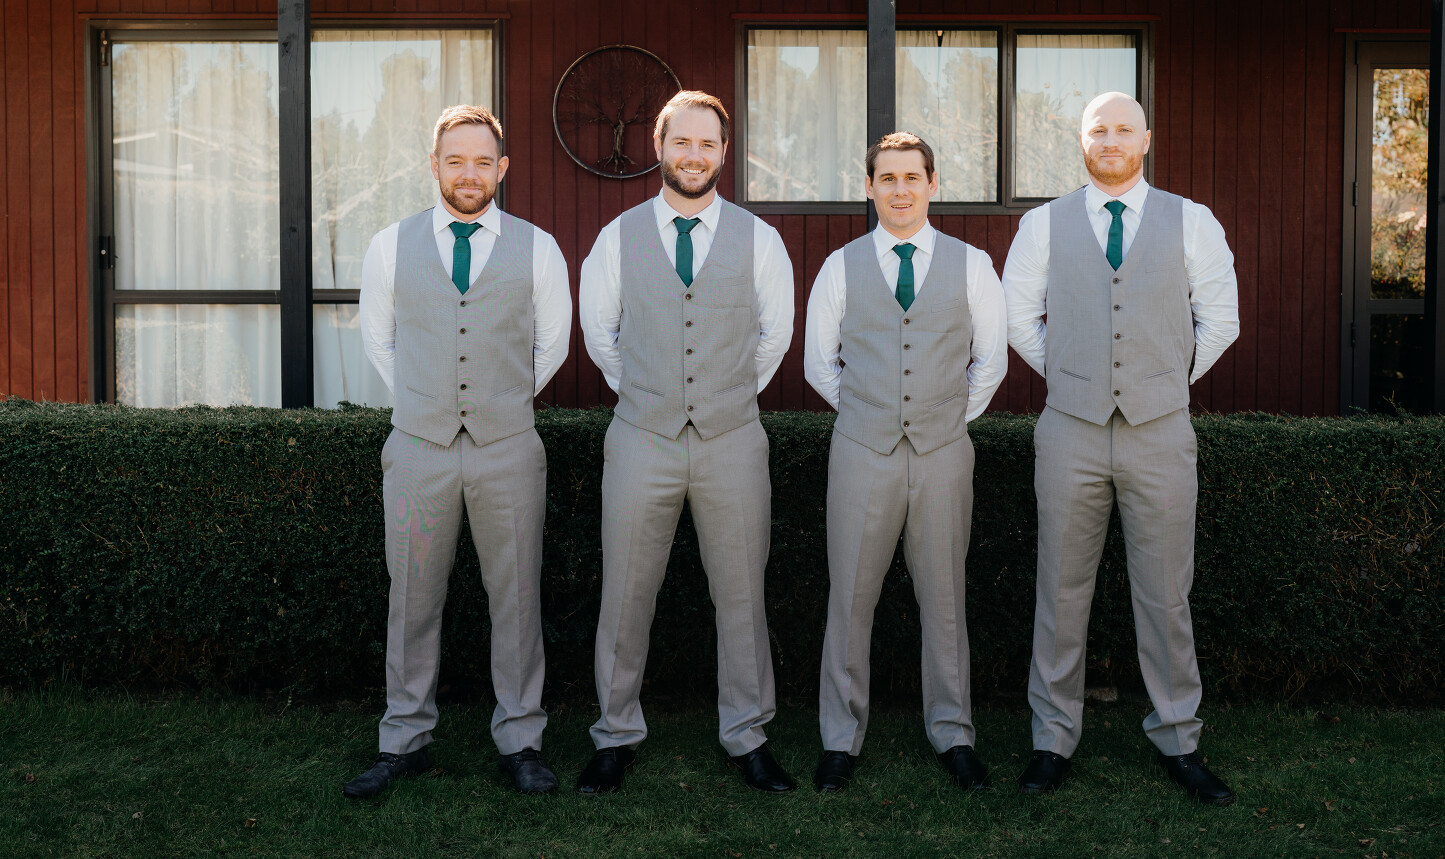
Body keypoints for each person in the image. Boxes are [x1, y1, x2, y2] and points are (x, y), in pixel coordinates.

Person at [1002, 91, 1240, 804]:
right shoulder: (1042, 224)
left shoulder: (1192, 220)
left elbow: (1221, 319)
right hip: (1069, 429)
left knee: (1166, 594)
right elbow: (1018, 316)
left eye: (1123, 130)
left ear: (1146, 139)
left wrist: (1164, 380)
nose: (1110, 140)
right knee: (1060, 589)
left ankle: (1179, 738)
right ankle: (1051, 739)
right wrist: (1074, 376)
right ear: (1082, 142)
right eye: (1098, 130)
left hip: (1160, 430)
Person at [345, 105, 572, 798]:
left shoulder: (539, 248)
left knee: (517, 597)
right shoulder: (390, 246)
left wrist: (498, 402)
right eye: (455, 160)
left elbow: (552, 345)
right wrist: (427, 402)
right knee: (411, 596)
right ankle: (403, 740)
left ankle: (522, 739)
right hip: (419, 447)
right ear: (434, 165)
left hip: (509, 446)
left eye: (481, 161)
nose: (468, 173)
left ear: (501, 168)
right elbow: (379, 340)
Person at [576, 90, 797, 794]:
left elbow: (775, 336)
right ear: (659, 148)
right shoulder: (617, 237)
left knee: (741, 593)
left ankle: (748, 733)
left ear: (724, 152)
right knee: (626, 591)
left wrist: (723, 393)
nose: (694, 155)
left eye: (707, 143)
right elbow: (600, 334)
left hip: (733, 437)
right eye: (682, 142)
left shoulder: (760, 240)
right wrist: (649, 391)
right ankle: (614, 734)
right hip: (641, 436)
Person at [803, 132, 1008, 794]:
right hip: (861, 452)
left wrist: (944, 418)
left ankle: (954, 733)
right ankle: (840, 738)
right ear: (869, 187)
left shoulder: (972, 264)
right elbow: (818, 364)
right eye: (886, 178)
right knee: (850, 597)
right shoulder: (840, 267)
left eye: (911, 177)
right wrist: (871, 414)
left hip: (945, 453)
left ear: (932, 183)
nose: (899, 189)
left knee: (945, 597)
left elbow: (991, 361)